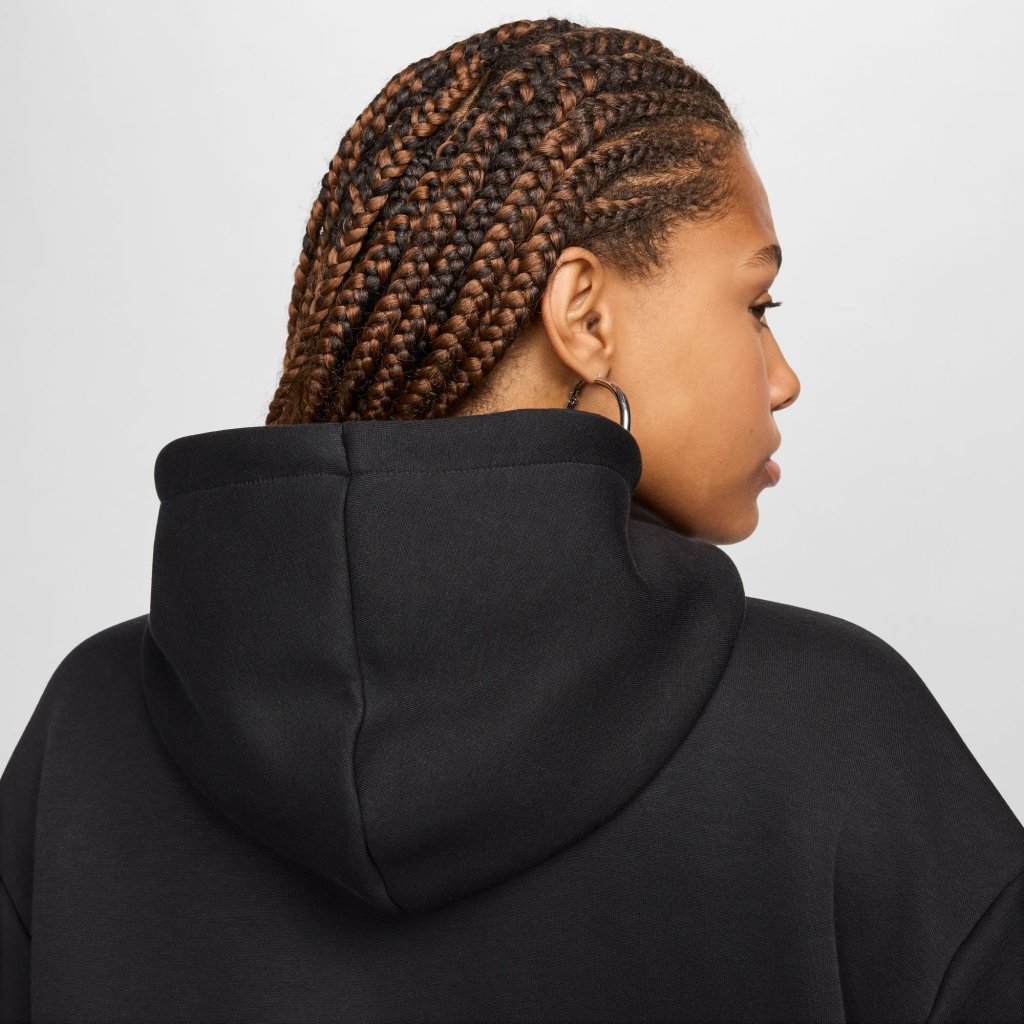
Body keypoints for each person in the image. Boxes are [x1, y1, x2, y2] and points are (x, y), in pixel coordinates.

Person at [1, 17, 1021, 1024]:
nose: (783, 377)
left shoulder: (86, 737)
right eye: (759, 307)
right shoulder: (836, 735)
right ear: (584, 314)